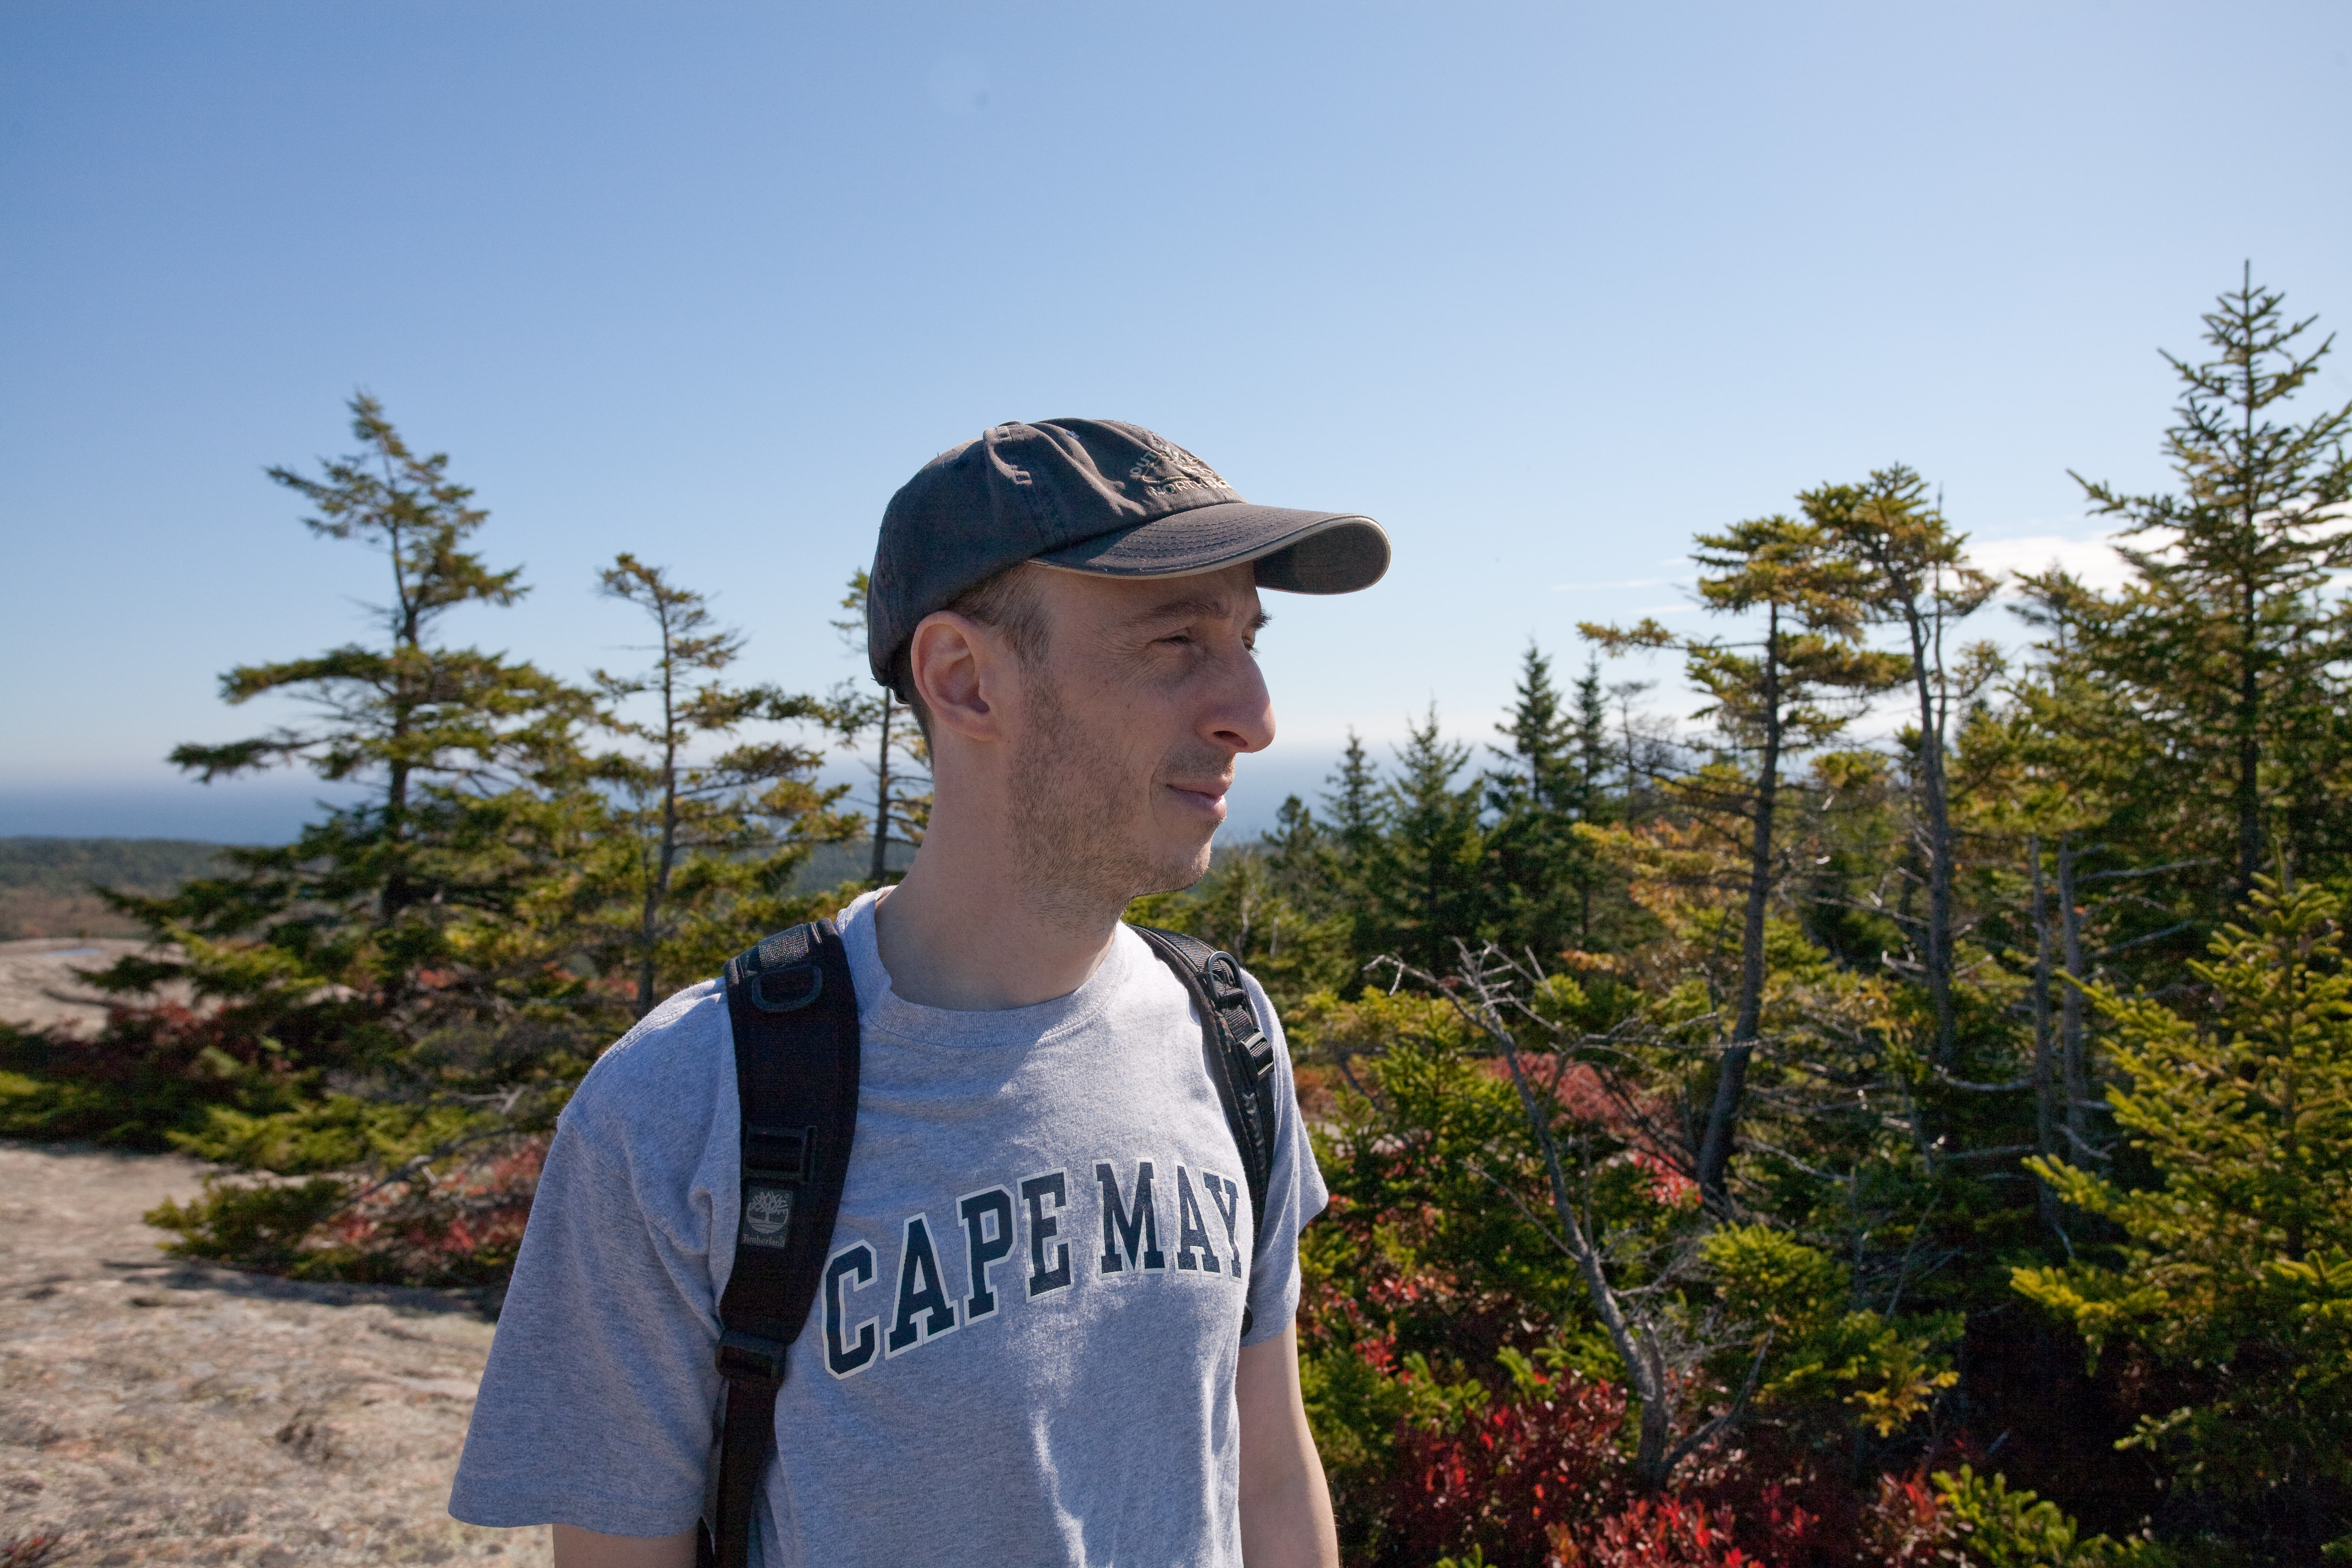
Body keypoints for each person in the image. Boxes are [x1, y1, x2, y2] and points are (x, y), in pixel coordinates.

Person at [449, 418, 1390, 1567]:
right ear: (964, 679)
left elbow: (1269, 1469)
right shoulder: (680, 1107)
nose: (1255, 710)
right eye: (1176, 641)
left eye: (1247, 637)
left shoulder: (1229, 1039)